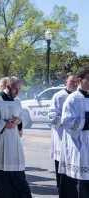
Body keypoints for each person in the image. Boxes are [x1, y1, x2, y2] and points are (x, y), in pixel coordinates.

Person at [59, 66, 89, 198]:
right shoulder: (73, 99)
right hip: (80, 145)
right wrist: (85, 122)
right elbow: (66, 121)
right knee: (82, 185)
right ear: (80, 80)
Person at [48, 73, 78, 190]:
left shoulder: (80, 97)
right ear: (66, 82)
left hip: (76, 139)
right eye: (71, 82)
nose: (74, 84)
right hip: (61, 137)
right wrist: (67, 122)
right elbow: (52, 116)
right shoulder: (58, 96)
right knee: (62, 169)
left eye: (76, 82)